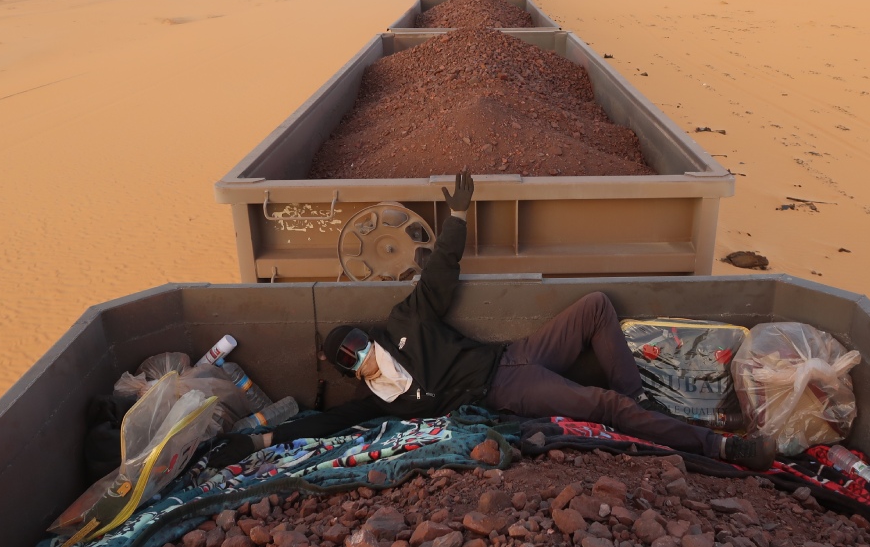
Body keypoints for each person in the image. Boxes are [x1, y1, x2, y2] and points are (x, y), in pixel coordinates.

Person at [222, 170, 775, 470]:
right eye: (352, 357)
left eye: (359, 342)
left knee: (597, 307)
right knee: (603, 407)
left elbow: (439, 274)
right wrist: (265, 438)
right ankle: (718, 449)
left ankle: (641, 404)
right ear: (349, 372)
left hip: (517, 351)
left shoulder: (405, 321)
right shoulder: (381, 401)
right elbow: (326, 427)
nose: (362, 353)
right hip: (507, 385)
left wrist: (457, 216)